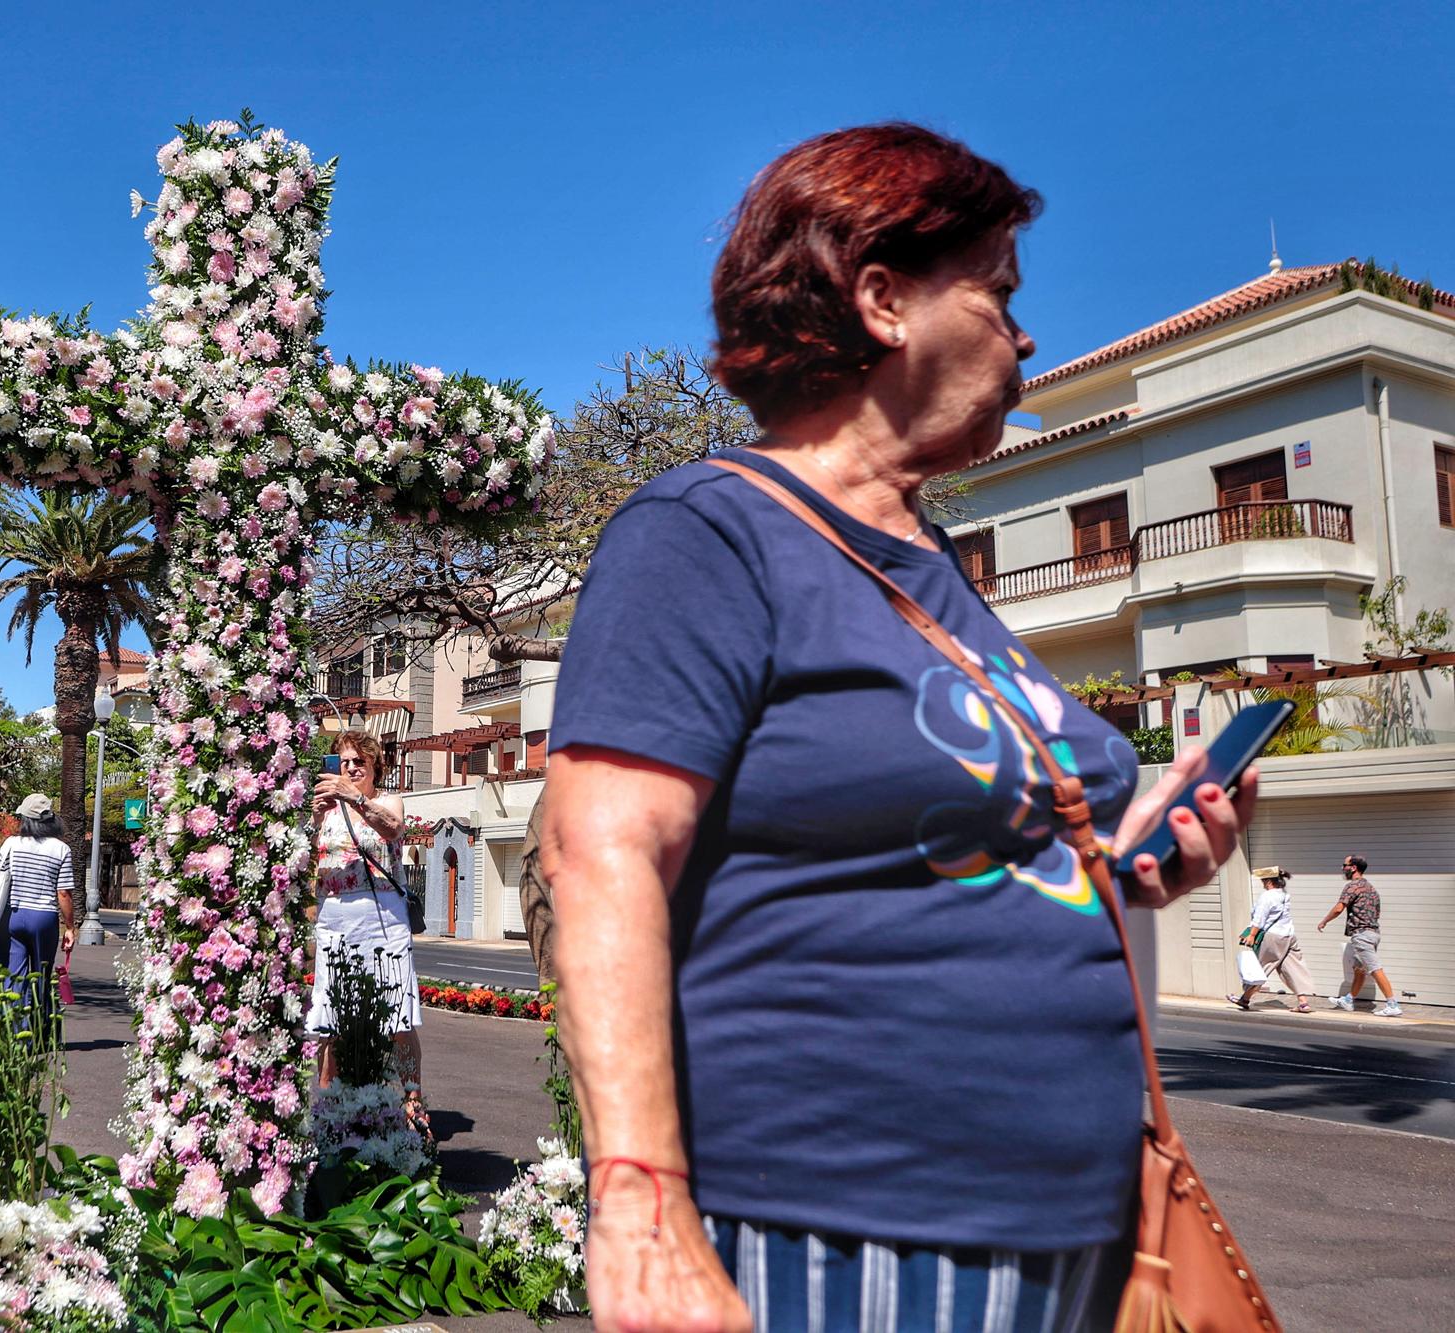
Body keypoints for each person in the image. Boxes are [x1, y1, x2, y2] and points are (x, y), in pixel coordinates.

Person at [539, 123, 1258, 1332]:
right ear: (881, 298)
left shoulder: (935, 571)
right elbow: (598, 853)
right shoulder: (706, 531)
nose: (1024, 335)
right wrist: (640, 1203)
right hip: (858, 1233)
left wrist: (1132, 853)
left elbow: (944, 832)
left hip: (1072, 1224)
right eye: (998, 290)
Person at [309, 730, 421, 1120]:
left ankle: (411, 1103)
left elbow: (392, 829)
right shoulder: (325, 810)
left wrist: (353, 798)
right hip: (335, 918)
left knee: (399, 1014)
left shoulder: (387, 801)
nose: (352, 768)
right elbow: (303, 858)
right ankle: (329, 1104)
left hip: (383, 920)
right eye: (345, 763)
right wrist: (314, 818)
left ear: (375, 766)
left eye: (360, 762)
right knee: (331, 1018)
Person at [0, 794, 76, 1023]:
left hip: (13, 915)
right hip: (43, 918)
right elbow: (63, 893)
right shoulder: (61, 849)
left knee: (13, 976)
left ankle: (14, 1029)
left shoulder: (11, 844)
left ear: (25, 819)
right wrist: (70, 927)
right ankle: (39, 1028)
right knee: (41, 974)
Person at [1321, 854, 1402, 1016]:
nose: (1342, 869)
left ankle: (1393, 1004)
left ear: (1353, 868)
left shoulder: (1353, 886)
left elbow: (1339, 908)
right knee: (1359, 969)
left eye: (1344, 865)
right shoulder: (1371, 888)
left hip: (1362, 935)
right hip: (1373, 933)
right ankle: (1349, 999)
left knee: (1374, 968)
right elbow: (1376, 913)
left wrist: (1324, 921)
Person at [1227, 867, 1316, 1012]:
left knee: (1259, 968)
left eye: (1263, 880)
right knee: (1292, 968)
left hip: (1273, 937)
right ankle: (1303, 1003)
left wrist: (1251, 935)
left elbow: (1259, 918)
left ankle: (1245, 999)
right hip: (1289, 935)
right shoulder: (1284, 895)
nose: (1262, 883)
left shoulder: (1267, 896)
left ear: (1268, 881)